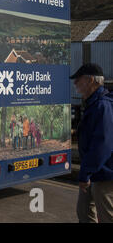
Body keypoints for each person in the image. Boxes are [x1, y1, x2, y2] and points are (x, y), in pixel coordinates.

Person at [71, 63, 113, 223]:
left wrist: (85, 173)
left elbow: (102, 144)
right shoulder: (93, 104)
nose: (75, 84)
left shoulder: (103, 106)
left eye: (79, 80)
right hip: (94, 171)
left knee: (106, 216)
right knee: (84, 210)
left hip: (104, 173)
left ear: (92, 81)